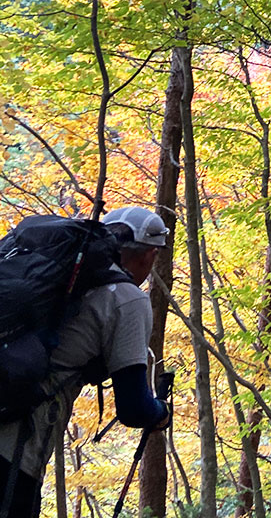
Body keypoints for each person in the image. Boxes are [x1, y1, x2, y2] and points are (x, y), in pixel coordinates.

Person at [0, 207, 171, 517]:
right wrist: (160, 413)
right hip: (15, 451)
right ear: (149, 255)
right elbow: (134, 408)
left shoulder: (63, 283)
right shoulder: (128, 299)